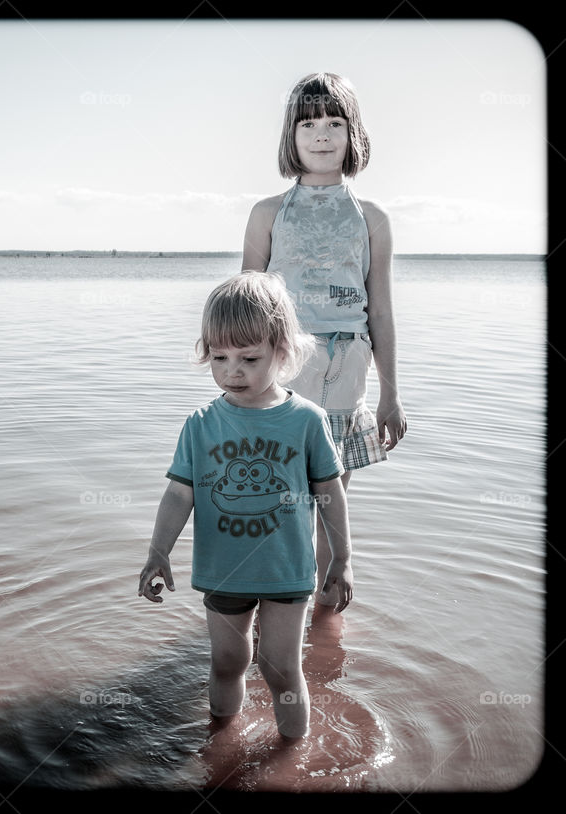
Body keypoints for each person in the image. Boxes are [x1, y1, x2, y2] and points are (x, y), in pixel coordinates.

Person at [137, 272, 352, 739]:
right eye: (219, 357)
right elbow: (179, 494)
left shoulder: (307, 421)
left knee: (281, 670)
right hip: (223, 570)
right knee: (228, 661)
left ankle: (292, 757)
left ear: (282, 352)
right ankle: (220, 745)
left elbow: (330, 493)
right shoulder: (200, 425)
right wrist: (158, 551)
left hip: (286, 572)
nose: (233, 370)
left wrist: (343, 558)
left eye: (249, 358)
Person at [241, 72, 406, 609]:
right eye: (308, 123)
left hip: (347, 365)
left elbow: (379, 309)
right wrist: (240, 380)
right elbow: (247, 304)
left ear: (352, 134)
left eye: (335, 122)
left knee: (331, 490)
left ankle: (331, 604)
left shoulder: (372, 218)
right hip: (285, 365)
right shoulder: (267, 213)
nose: (321, 134)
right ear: (291, 135)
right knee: (275, 491)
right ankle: (275, 601)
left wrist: (391, 393)